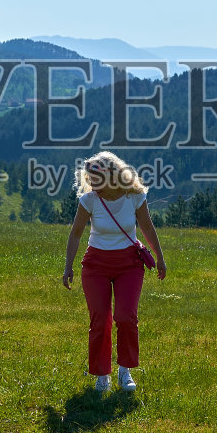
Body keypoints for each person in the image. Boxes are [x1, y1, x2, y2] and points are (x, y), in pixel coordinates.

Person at [62, 151, 167, 392]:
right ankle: (102, 375)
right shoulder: (89, 200)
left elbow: (148, 228)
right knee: (100, 319)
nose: (92, 183)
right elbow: (76, 233)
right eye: (90, 178)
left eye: (97, 178)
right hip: (95, 265)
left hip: (129, 264)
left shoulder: (134, 197)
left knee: (126, 317)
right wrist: (68, 266)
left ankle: (125, 371)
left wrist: (160, 257)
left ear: (113, 174)